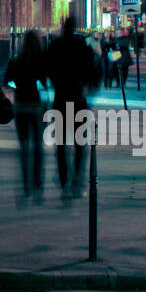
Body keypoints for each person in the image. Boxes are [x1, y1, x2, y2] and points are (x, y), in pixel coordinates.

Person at [48, 16, 96, 197]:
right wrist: (88, 86)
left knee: (60, 144)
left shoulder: (55, 45)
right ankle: (77, 180)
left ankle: (63, 179)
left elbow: (48, 69)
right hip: (78, 99)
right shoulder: (82, 46)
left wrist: (55, 82)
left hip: (60, 98)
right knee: (80, 143)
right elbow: (92, 70)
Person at [6, 30, 47, 201]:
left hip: (21, 105)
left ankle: (25, 186)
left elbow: (8, 80)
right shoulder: (41, 61)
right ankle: (38, 184)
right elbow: (45, 82)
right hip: (36, 106)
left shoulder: (16, 60)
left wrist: (18, 86)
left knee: (24, 148)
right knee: (38, 147)